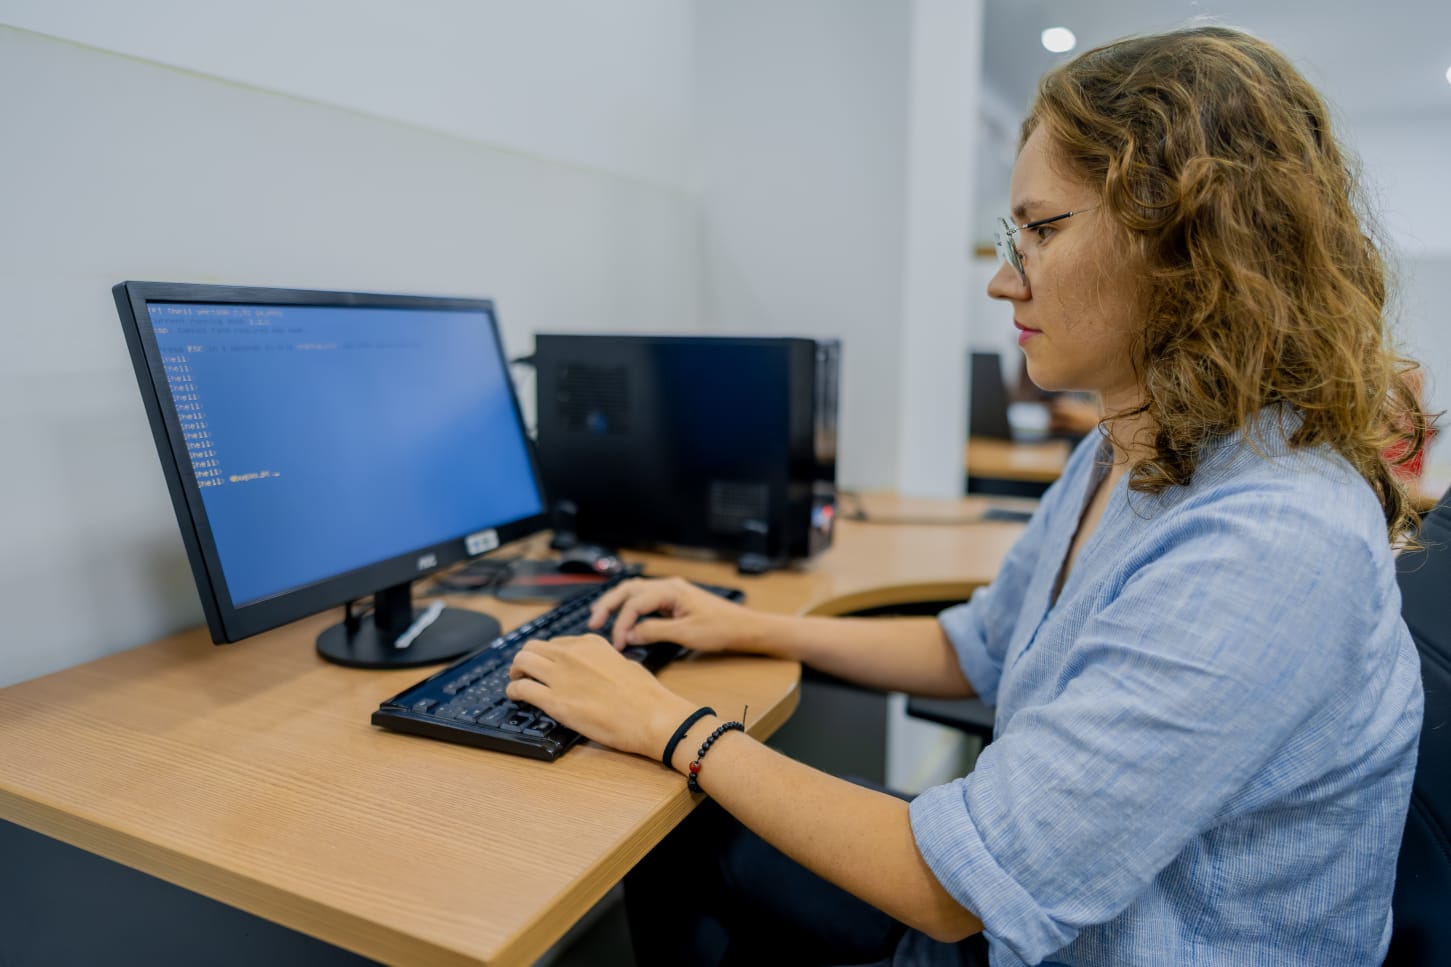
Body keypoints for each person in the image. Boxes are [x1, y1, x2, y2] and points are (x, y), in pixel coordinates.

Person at [505, 26, 1427, 967]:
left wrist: (669, 726)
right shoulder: (1133, 442)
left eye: (1041, 230)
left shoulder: (1271, 540)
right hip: (1040, 915)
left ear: (1187, 243)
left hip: (1063, 935)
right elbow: (980, 646)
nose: (1000, 279)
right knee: (686, 840)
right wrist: (748, 626)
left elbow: (951, 891)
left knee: (688, 804)